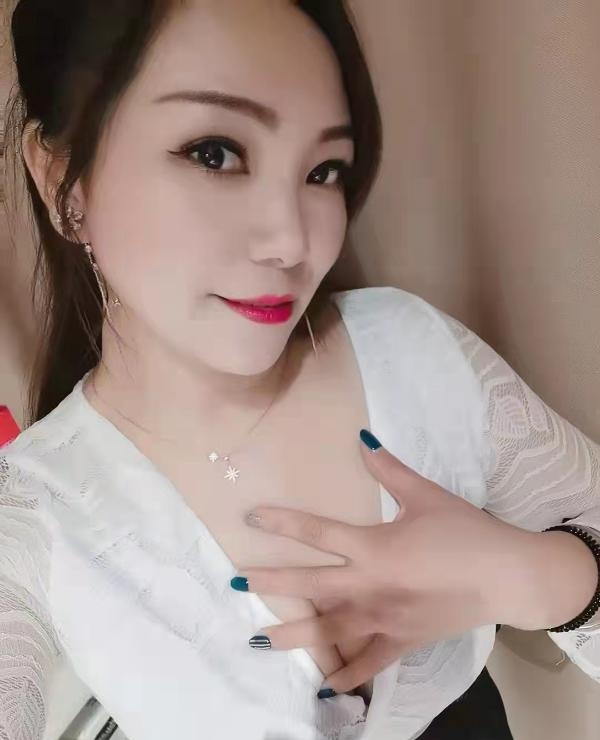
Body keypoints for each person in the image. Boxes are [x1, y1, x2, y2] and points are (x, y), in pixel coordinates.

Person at [1, 1, 599, 739]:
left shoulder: (412, 358)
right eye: (215, 153)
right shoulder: (33, 513)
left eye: (323, 171)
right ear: (62, 179)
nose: (291, 240)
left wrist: (533, 577)